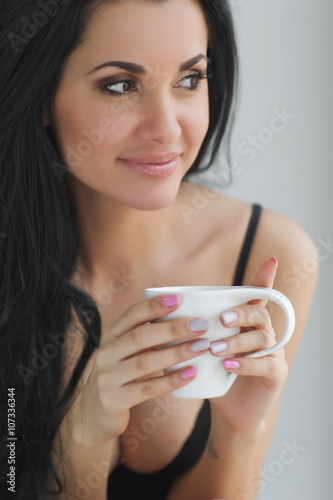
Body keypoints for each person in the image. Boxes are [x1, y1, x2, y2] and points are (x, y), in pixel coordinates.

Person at [0, 0, 318, 499]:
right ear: (40, 93)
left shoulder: (269, 254)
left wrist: (236, 431)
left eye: (190, 79)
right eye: (121, 85)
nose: (167, 129)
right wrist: (82, 445)